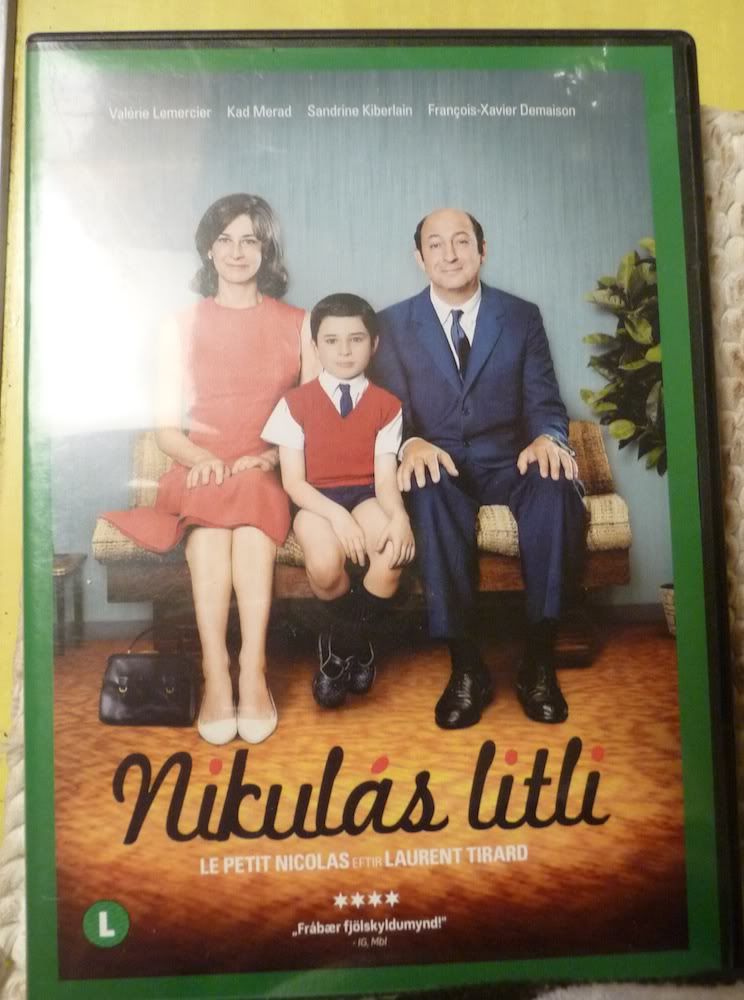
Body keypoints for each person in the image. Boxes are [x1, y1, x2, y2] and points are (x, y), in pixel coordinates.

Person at [103, 193, 315, 745]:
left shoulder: (300, 323)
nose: (237, 252)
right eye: (225, 239)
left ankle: (252, 670)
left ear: (266, 249)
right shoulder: (180, 325)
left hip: (266, 470)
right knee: (212, 530)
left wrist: (271, 457)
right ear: (208, 249)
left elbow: (310, 418)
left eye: (250, 240)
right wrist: (205, 460)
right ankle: (217, 671)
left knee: (251, 515)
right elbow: (167, 430)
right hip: (200, 471)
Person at [373, 208, 586, 730]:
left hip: (509, 460)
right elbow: (390, 410)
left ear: (482, 250)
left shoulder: (521, 316)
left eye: (462, 241)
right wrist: (411, 442)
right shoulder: (392, 324)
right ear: (419, 257)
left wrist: (548, 437)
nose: (450, 255)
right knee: (426, 489)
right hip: (439, 461)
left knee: (557, 484)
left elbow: (545, 401)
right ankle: (466, 666)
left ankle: (539, 660)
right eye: (436, 244)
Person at [262, 293, 415, 707]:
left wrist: (399, 518)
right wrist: (338, 519)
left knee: (392, 554)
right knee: (327, 565)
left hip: (366, 495)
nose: (344, 351)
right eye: (331, 341)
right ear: (315, 347)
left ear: (374, 344)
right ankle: (354, 642)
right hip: (315, 500)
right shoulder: (294, 404)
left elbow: (384, 481)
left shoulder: (387, 405)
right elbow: (294, 483)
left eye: (356, 339)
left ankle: (344, 644)